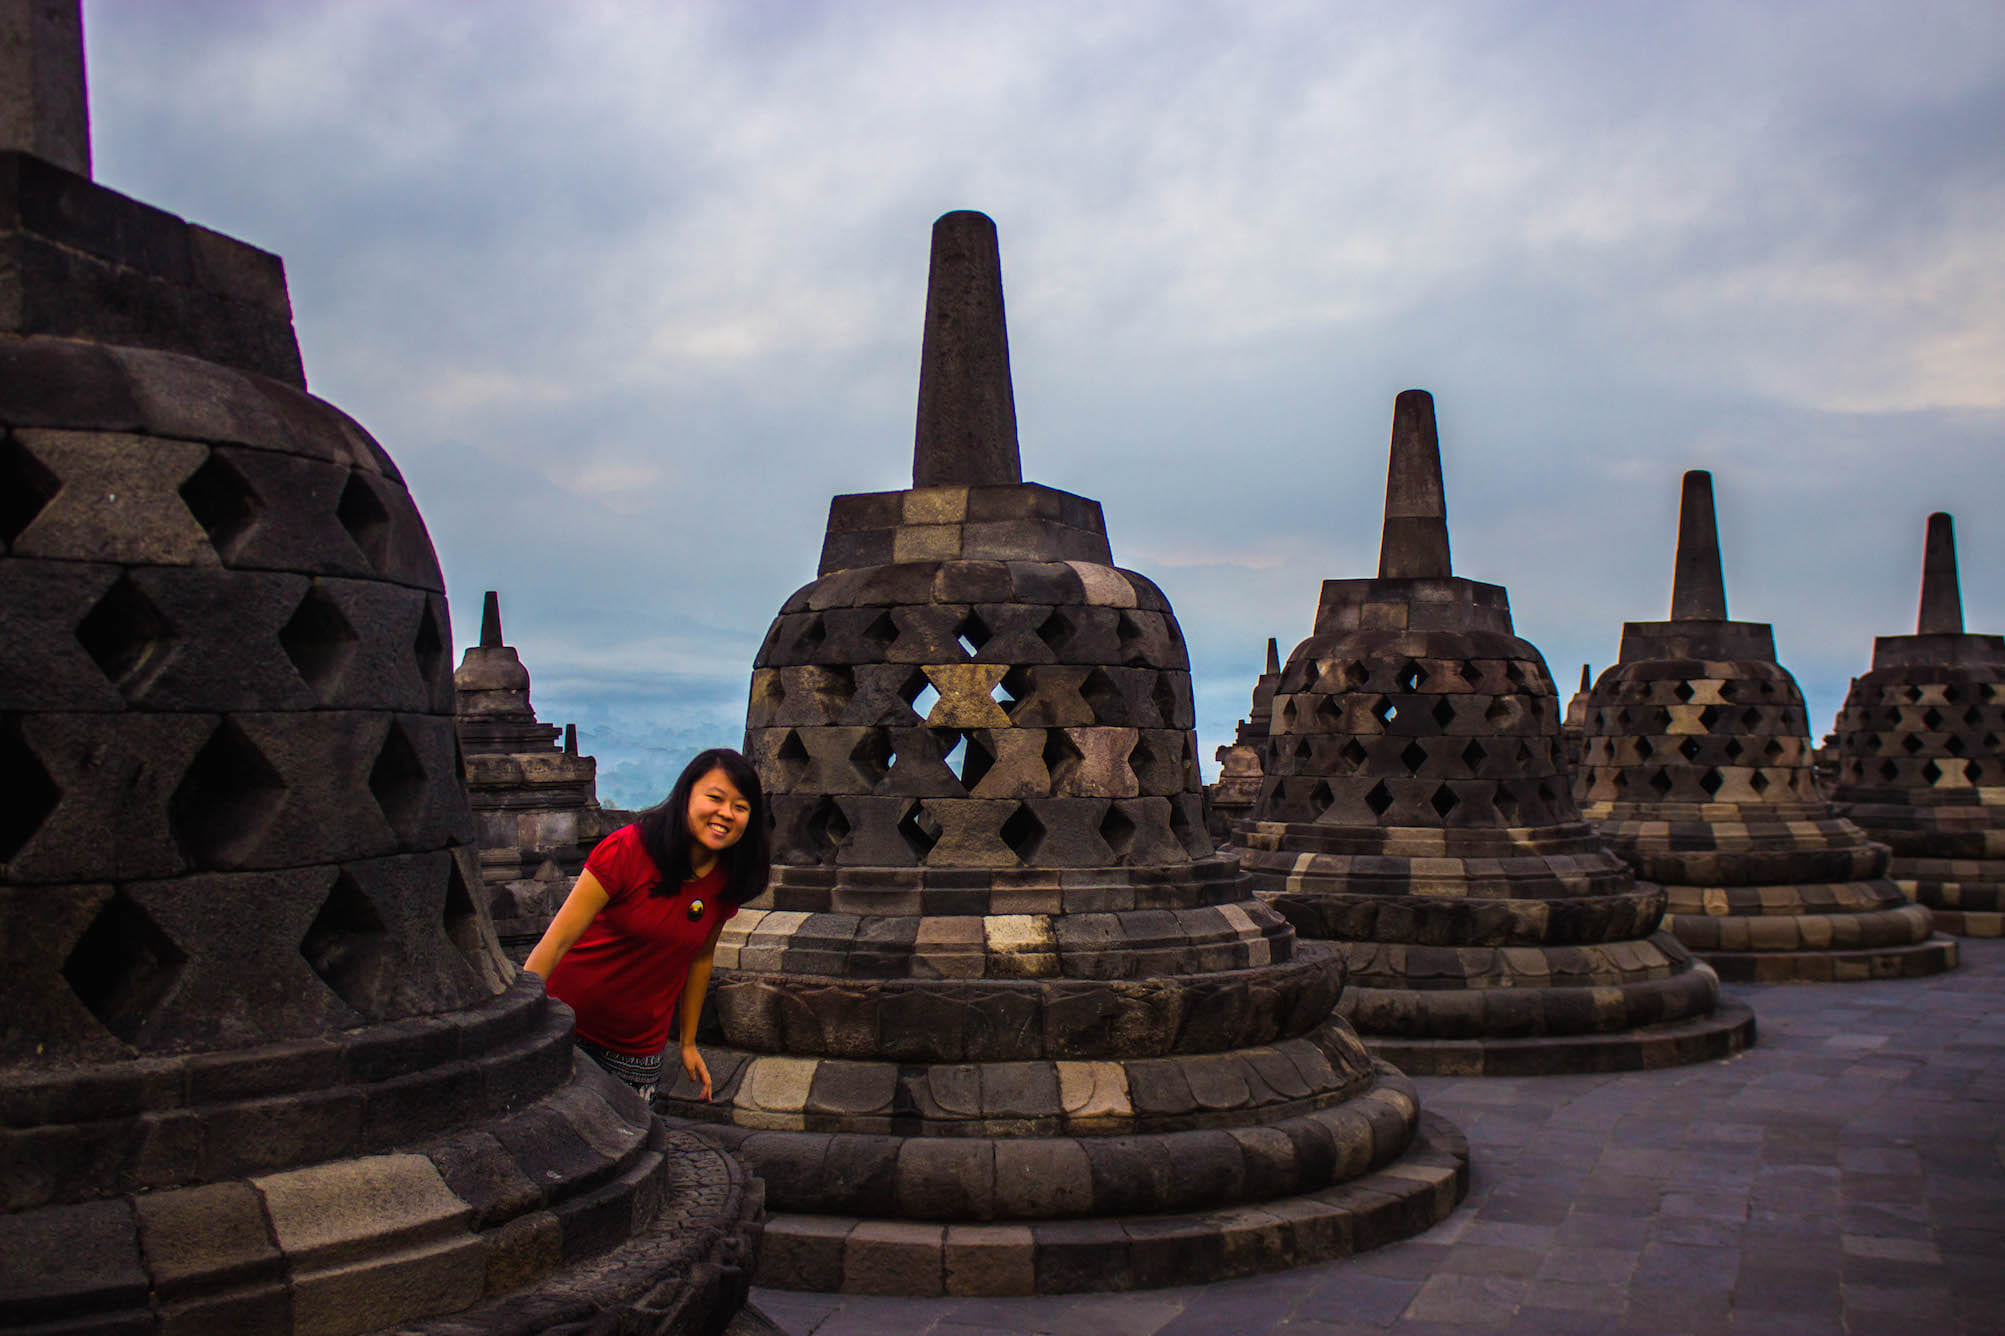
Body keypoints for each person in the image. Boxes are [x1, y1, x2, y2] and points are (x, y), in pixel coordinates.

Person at [525, 747, 769, 1101]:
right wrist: (522, 1017)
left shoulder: (727, 880)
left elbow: (700, 959)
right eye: (714, 798)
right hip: (564, 1022)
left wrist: (687, 1042)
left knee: (623, 1141)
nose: (725, 814)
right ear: (687, 796)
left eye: (741, 807)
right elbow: (557, 941)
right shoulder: (626, 850)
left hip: (637, 1048)